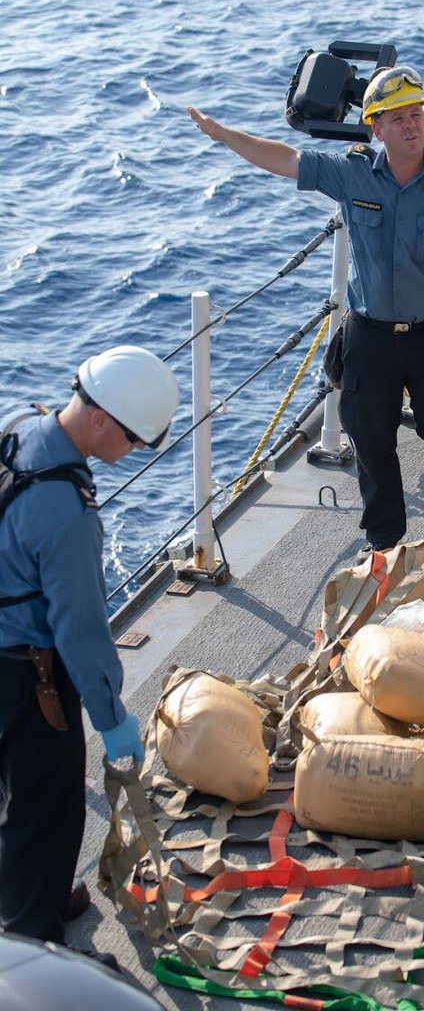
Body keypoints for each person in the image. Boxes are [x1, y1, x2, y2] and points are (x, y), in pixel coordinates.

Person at [188, 64, 424, 556]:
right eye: (397, 118)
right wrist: (223, 133)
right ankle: (383, 535)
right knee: (369, 435)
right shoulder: (354, 173)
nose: (412, 125)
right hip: (371, 335)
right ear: (376, 128)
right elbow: (287, 159)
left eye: (416, 114)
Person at [0, 346, 179, 964]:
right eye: (135, 440)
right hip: (25, 675)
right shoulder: (68, 514)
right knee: (45, 811)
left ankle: (37, 894)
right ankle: (34, 954)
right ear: (102, 419)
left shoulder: (21, 424)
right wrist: (110, 717)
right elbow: (79, 629)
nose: (134, 453)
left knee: (12, 797)